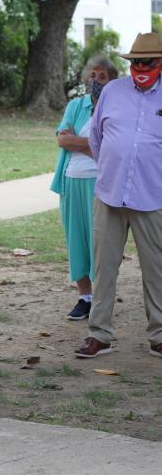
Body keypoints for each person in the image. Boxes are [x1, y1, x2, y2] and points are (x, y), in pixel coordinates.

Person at [75, 32, 162, 359]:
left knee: (157, 269)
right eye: (136, 61)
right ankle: (100, 335)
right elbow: (96, 137)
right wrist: (115, 165)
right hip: (109, 193)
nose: (141, 66)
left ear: (160, 63)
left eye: (148, 62)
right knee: (103, 268)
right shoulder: (112, 91)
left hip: (152, 196)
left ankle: (159, 335)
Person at [51, 56, 118, 321]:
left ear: (112, 81)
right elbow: (61, 139)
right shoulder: (75, 106)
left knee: (100, 244)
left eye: (103, 77)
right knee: (76, 239)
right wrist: (89, 144)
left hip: (100, 184)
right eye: (93, 75)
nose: (96, 81)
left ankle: (101, 300)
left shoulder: (116, 108)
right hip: (70, 181)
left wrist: (78, 142)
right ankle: (84, 297)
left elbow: (110, 147)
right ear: (86, 77)